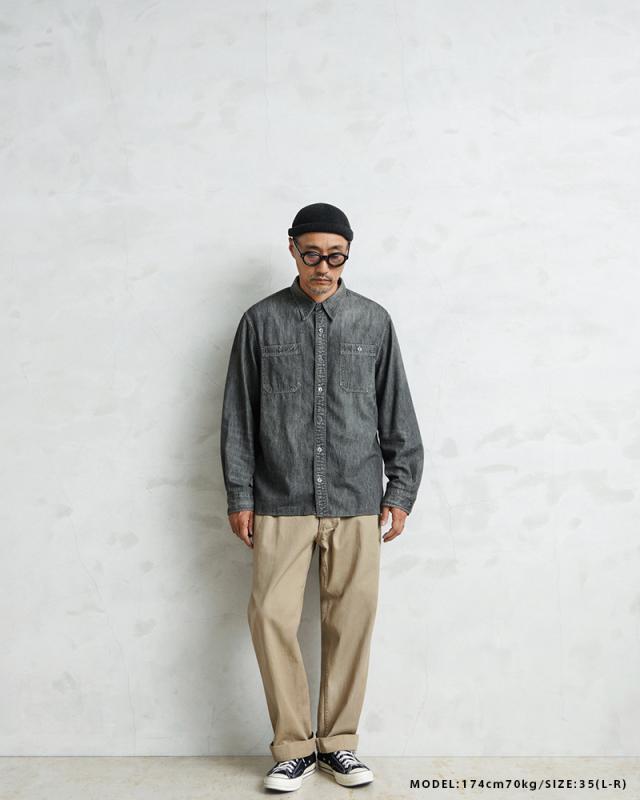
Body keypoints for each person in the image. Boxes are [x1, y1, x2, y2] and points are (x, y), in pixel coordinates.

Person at [220, 202, 424, 791]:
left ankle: (339, 745)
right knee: (270, 617)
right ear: (292, 250)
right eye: (312, 255)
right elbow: (239, 416)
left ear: (348, 255)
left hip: (357, 499)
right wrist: (240, 493)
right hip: (278, 498)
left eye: (336, 257)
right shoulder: (260, 322)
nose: (323, 268)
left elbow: (397, 411)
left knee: (351, 622)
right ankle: (293, 747)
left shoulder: (373, 322)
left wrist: (401, 489)